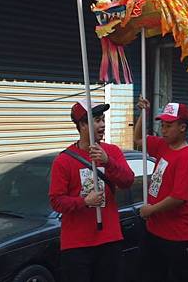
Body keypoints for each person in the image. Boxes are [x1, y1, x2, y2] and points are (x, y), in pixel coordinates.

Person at [49, 101, 134, 282]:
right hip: (76, 245)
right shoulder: (63, 161)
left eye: (103, 120)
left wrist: (108, 161)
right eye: (96, 120)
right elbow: (56, 201)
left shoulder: (112, 151)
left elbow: (128, 181)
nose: (102, 125)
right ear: (82, 125)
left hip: (110, 239)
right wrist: (84, 202)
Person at [134, 97, 188, 282]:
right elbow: (138, 139)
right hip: (154, 229)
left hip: (176, 234)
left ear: (182, 127)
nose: (163, 130)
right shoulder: (163, 145)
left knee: (185, 277)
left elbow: (178, 197)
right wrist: (143, 113)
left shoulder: (186, 157)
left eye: (168, 125)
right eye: (162, 125)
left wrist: (151, 209)